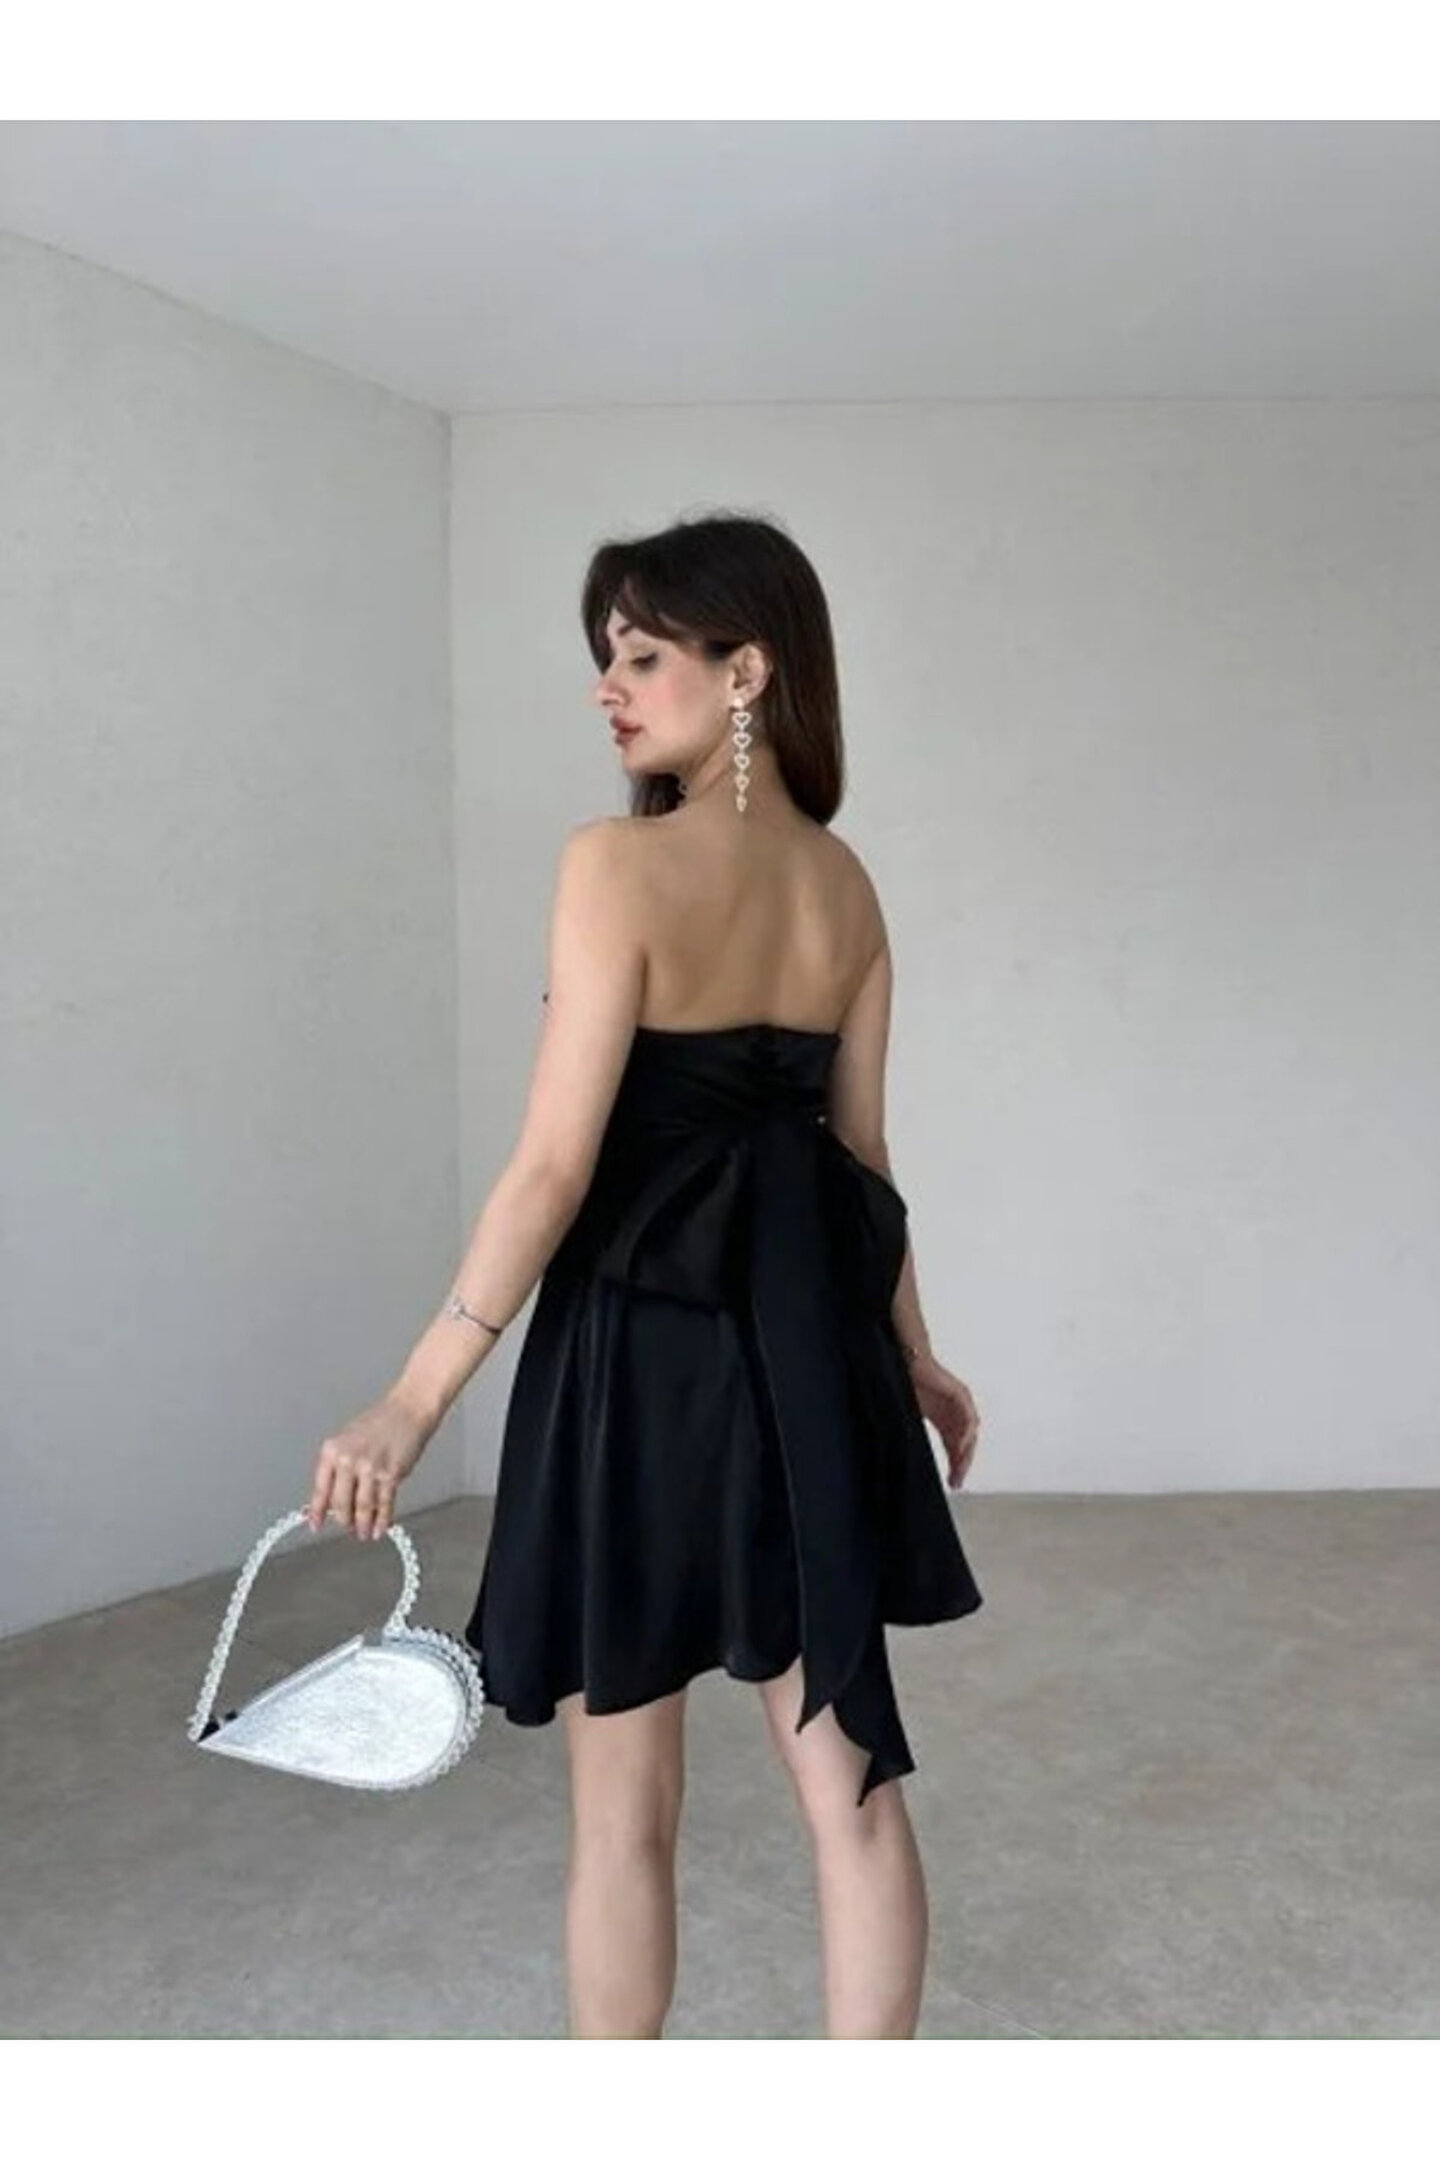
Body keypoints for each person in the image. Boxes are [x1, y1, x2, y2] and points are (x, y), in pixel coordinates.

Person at [306, 510, 984, 2040]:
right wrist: (912, 1354)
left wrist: (411, 1404)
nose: (607, 687)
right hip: (811, 1359)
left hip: (642, 1356)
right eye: (604, 657)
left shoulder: (613, 865)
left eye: (643, 655)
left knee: (624, 1813)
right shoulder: (848, 888)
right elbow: (863, 1162)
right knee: (852, 1785)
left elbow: (554, 1171)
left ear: (748, 671)